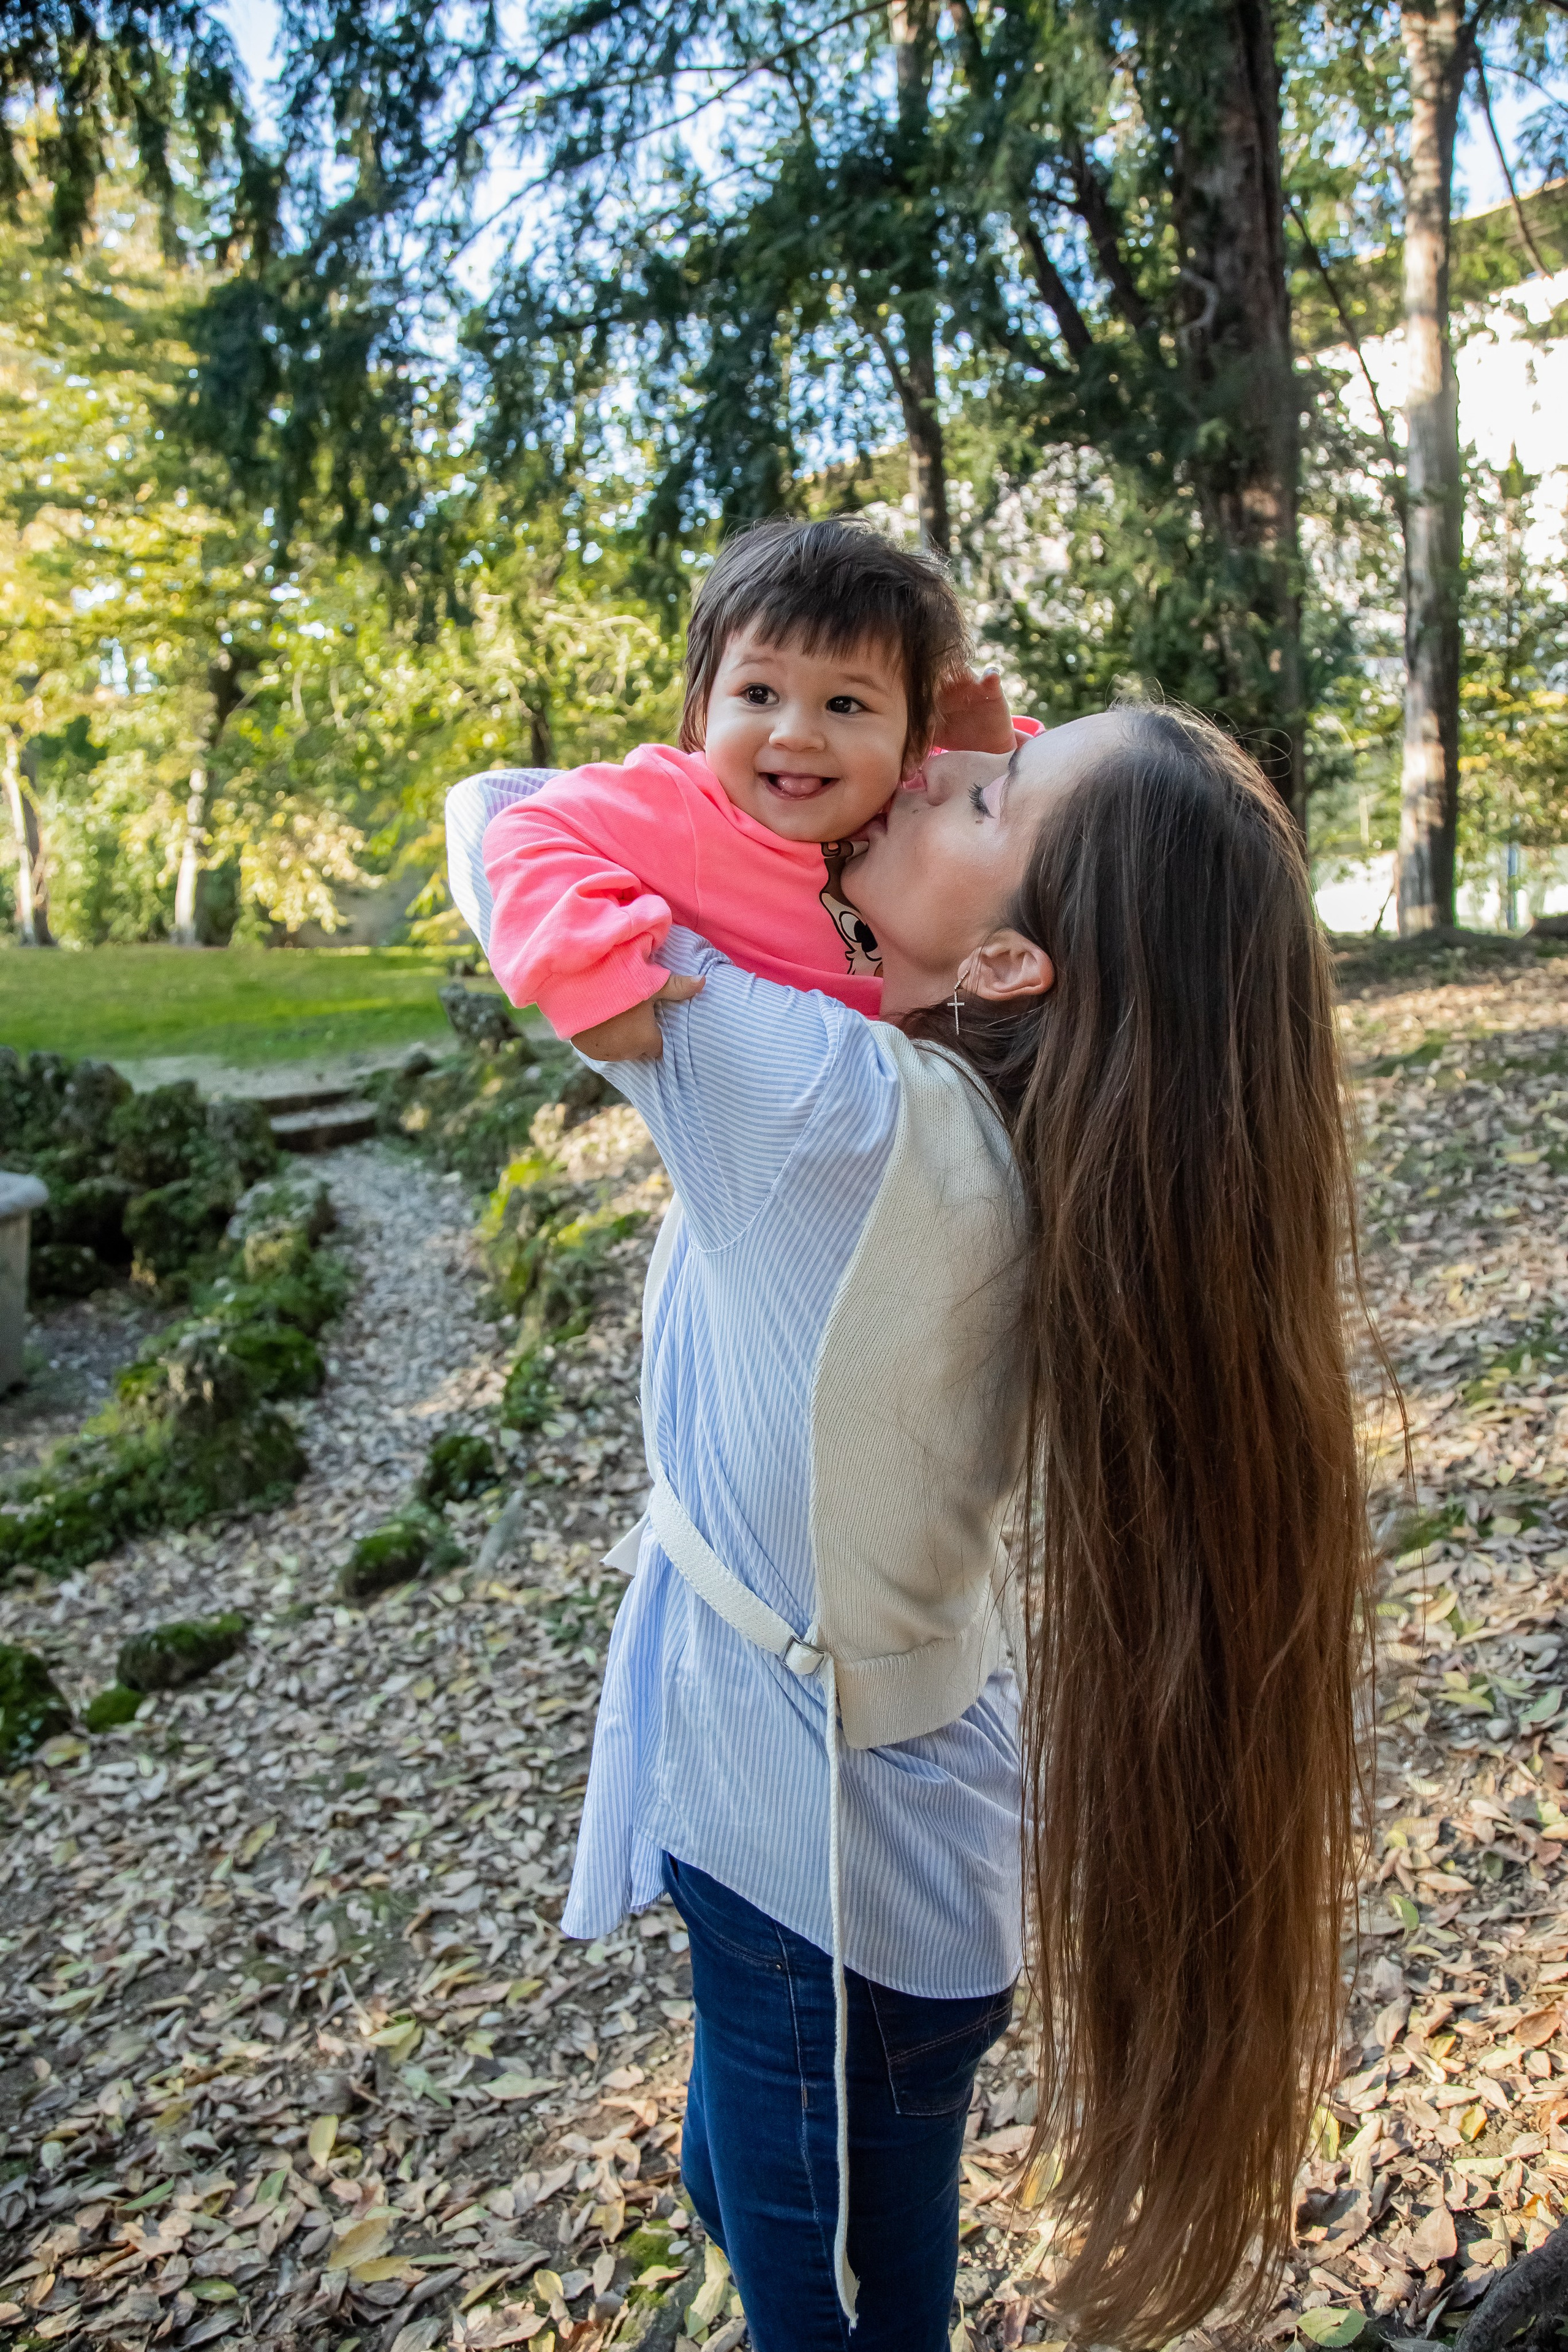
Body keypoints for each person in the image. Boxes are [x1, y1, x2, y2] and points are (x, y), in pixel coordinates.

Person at [445, 706, 1371, 2352]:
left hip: (833, 1881)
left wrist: (808, 765)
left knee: (842, 2320)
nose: (932, 764)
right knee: (750, 2218)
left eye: (990, 782)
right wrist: (916, 768)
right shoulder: (1010, 1103)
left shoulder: (827, 1107)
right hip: (844, 1827)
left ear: (1013, 962)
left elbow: (494, 816)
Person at [470, 515, 1029, 1062]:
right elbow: (528, 828)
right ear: (702, 709)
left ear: (913, 743)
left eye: (844, 704)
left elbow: (1056, 820)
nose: (796, 735)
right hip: (793, 1106)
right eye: (759, 694)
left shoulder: (911, 798)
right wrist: (593, 980)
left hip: (931, 1092)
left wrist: (986, 756)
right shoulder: (685, 804)